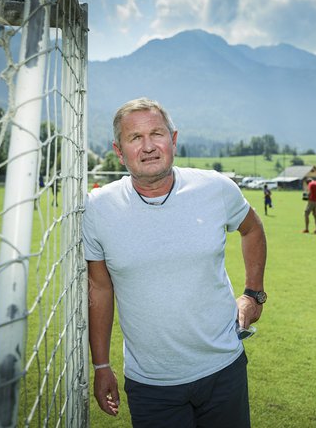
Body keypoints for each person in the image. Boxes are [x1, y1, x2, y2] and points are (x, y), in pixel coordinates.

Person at [83, 98, 267, 427]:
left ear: (174, 140)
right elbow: (99, 286)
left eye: (157, 134)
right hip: (151, 384)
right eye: (135, 137)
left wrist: (254, 294)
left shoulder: (215, 188)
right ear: (118, 150)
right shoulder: (97, 208)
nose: (149, 146)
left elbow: (252, 229)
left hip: (224, 369)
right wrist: (100, 365)